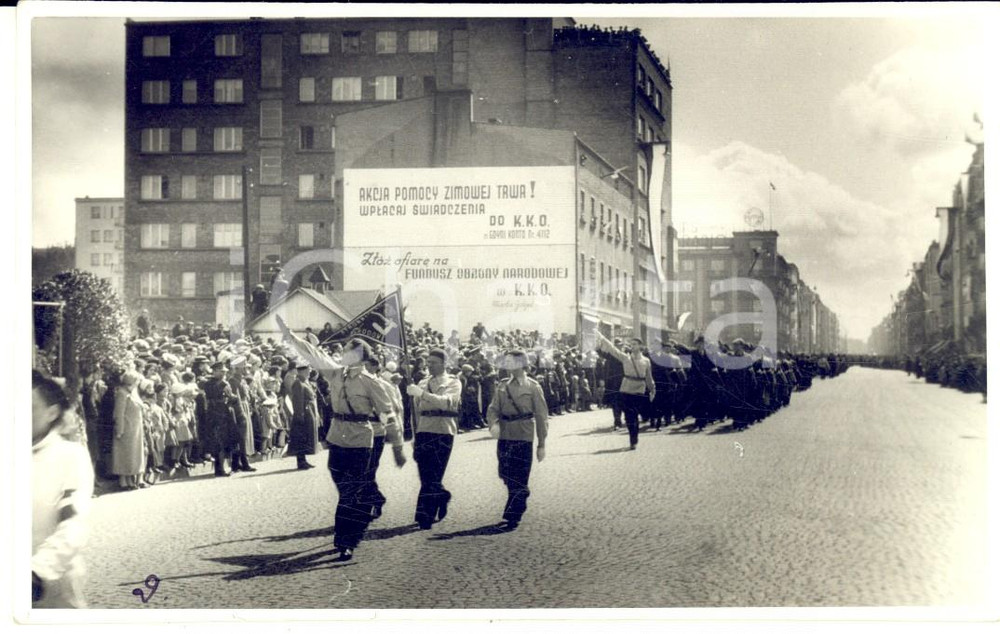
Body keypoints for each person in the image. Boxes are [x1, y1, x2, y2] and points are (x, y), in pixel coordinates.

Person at [277, 316, 404, 561]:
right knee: (344, 488)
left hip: (360, 440)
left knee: (349, 494)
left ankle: (346, 540)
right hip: (337, 438)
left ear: (358, 356)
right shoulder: (336, 374)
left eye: (347, 351)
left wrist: (397, 445)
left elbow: (387, 414)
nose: (342, 354)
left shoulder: (371, 383)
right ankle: (356, 521)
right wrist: (290, 336)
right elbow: (314, 354)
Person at [32, 371, 95, 608]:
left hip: (50, 588)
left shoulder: (69, 456)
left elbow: (74, 521)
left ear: (52, 412)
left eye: (29, 407)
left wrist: (37, 571)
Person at [486, 350, 548, 530]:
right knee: (505, 473)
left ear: (522, 364)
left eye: (511, 362)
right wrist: (493, 424)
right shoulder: (502, 385)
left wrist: (541, 443)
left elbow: (541, 416)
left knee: (519, 476)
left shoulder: (533, 387)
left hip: (523, 435)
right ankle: (521, 495)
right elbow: (492, 409)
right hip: (505, 434)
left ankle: (513, 514)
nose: (507, 365)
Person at [407, 348, 462, 530]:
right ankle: (442, 496)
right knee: (425, 474)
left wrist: (422, 394)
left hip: (443, 430)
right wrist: (415, 434)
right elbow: (415, 412)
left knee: (435, 473)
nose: (429, 365)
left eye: (433, 362)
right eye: (428, 362)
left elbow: (446, 402)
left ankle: (425, 517)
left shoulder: (453, 382)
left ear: (444, 364)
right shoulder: (423, 382)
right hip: (424, 429)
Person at [595, 334, 655, 450]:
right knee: (629, 417)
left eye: (635, 344)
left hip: (639, 390)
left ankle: (634, 436)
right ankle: (633, 439)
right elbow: (613, 349)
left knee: (635, 415)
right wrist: (603, 338)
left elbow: (649, 377)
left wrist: (652, 389)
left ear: (640, 346)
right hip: (626, 390)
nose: (632, 346)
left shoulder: (646, 361)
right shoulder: (626, 358)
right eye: (631, 344)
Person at [112, 371, 146, 490]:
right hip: (126, 429)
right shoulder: (122, 393)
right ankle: (123, 481)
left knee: (132, 455)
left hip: (135, 430)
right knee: (124, 454)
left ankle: (130, 480)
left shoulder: (132, 393)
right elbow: (119, 414)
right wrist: (119, 430)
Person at [288, 360, 319, 470]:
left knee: (306, 437)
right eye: (308, 370)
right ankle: (300, 461)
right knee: (301, 437)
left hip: (309, 412)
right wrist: (300, 415)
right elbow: (297, 401)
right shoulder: (298, 383)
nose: (310, 372)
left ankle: (304, 460)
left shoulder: (305, 382)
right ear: (303, 370)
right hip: (304, 413)